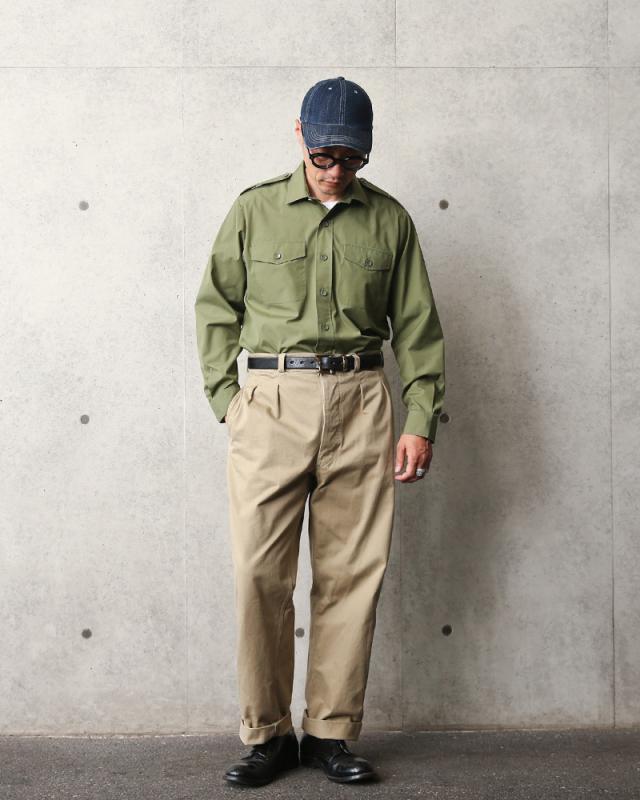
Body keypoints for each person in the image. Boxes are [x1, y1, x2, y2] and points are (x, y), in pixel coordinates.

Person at [194, 76, 445, 787]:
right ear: (300, 136)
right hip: (272, 403)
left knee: (351, 576)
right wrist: (230, 402)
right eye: (325, 156)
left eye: (352, 158)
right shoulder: (254, 210)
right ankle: (267, 735)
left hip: (362, 402)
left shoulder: (390, 220)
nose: (336, 171)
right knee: (258, 574)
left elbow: (418, 328)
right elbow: (215, 308)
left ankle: (331, 732)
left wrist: (420, 419)